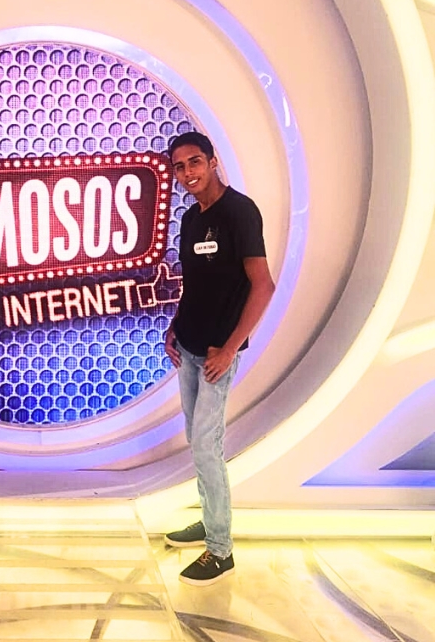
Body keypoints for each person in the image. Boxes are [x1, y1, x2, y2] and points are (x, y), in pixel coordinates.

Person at [162, 132, 275, 586]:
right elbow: (195, 284)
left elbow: (262, 285)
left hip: (216, 355)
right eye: (179, 167)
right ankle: (212, 519)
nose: (187, 173)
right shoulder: (192, 218)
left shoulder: (240, 212)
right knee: (198, 440)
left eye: (195, 162)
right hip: (188, 346)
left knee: (207, 445)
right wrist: (174, 325)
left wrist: (230, 348)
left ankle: (220, 549)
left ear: (212, 162)